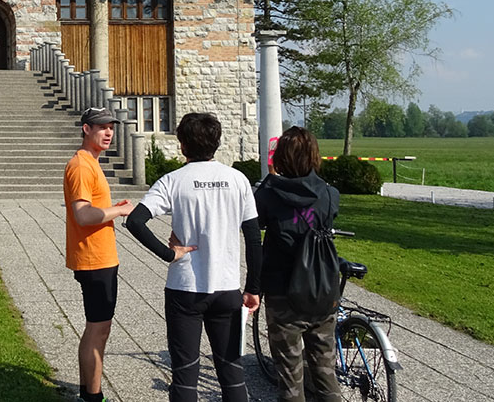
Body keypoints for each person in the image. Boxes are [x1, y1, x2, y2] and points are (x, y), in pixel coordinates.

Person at [124, 112, 261, 402]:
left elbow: (135, 221)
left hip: (185, 288)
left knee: (185, 374)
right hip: (226, 288)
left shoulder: (173, 181)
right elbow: (253, 238)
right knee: (231, 373)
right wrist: (253, 288)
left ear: (182, 144)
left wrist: (168, 253)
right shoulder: (238, 180)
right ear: (217, 142)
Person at [254, 126, 341, 402]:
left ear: (280, 158)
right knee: (326, 372)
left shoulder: (268, 195)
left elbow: (255, 225)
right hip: (323, 291)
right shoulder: (329, 195)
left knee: (290, 378)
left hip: (283, 294)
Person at [64, 107, 136, 402]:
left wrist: (109, 209)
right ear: (86, 129)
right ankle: (92, 396)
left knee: (99, 327)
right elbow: (82, 215)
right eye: (101, 127)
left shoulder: (91, 163)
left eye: (111, 127)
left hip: (102, 256)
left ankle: (88, 391)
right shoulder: (81, 165)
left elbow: (93, 209)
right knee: (97, 329)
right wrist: (117, 211)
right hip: (94, 259)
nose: (108, 133)